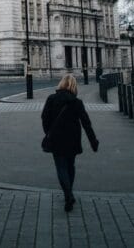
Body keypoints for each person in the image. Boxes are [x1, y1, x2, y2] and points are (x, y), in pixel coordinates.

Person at [41, 74, 99, 212]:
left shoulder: (51, 99)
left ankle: (68, 194)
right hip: (72, 138)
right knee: (70, 166)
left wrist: (48, 132)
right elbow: (86, 123)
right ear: (74, 86)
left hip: (56, 138)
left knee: (61, 167)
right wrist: (93, 141)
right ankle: (69, 192)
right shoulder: (76, 102)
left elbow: (44, 118)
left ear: (61, 84)